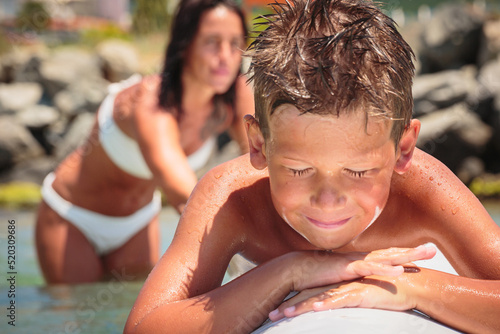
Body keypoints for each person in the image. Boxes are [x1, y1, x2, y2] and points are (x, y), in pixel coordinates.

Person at [124, 0, 500, 333]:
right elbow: (144, 326)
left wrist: (416, 288)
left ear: (403, 149)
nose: (328, 199)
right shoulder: (232, 197)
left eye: (359, 172)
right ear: (259, 145)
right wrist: (290, 271)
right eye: (299, 170)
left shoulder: (423, 188)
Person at [35, 0, 254, 284]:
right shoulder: (149, 99)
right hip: (72, 217)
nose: (225, 56)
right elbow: (180, 190)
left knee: (125, 315)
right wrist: (240, 246)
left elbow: (261, 164)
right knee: (76, 320)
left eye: (235, 43)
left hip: (138, 222)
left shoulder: (234, 97)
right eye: (212, 42)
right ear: (185, 44)